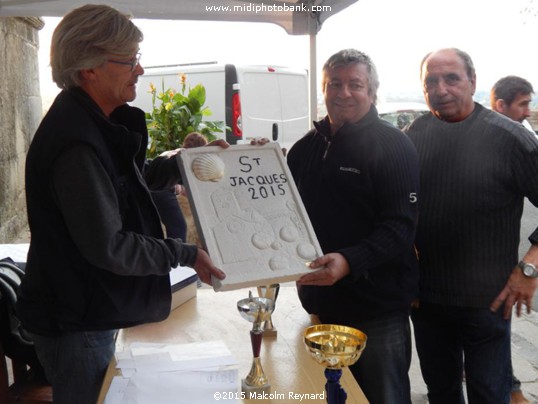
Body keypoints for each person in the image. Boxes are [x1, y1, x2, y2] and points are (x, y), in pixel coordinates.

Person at [15, 5, 227, 403]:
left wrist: (186, 162)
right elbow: (110, 246)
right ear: (89, 68)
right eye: (129, 61)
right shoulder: (76, 143)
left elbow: (130, 178)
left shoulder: (90, 123)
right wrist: (185, 253)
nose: (140, 70)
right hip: (75, 321)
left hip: (86, 310)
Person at [288, 48, 420, 404]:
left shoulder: (394, 146)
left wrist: (348, 261)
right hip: (318, 303)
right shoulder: (302, 150)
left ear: (372, 92)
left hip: (376, 310)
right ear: (324, 89)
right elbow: (285, 215)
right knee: (325, 395)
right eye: (334, 84)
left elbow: (400, 228)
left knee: (384, 397)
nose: (343, 93)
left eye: (355, 84)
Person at [407, 48, 538, 403]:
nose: (441, 88)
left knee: (489, 394)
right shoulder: (415, 134)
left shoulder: (511, 139)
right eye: (431, 81)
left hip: (488, 303)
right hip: (427, 301)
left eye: (452, 78)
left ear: (473, 83)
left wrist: (529, 270)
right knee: (441, 392)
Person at [491, 75, 535, 404]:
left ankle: (513, 389)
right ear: (500, 105)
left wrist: (530, 266)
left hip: (496, 275)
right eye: (523, 104)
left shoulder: (521, 142)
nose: (528, 112)